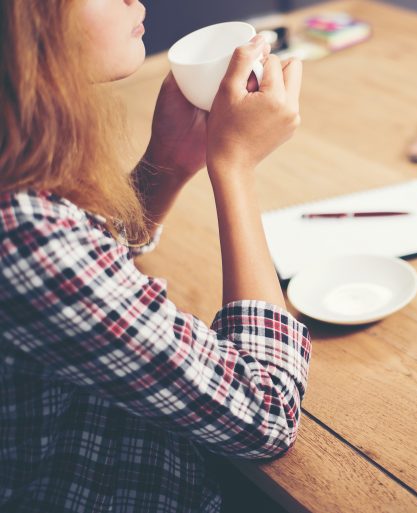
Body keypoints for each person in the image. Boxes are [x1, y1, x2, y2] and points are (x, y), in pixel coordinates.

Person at [0, 1, 310, 512]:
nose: (135, 1)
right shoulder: (22, 235)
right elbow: (266, 414)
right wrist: (233, 168)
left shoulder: (23, 172)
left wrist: (167, 162)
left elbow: (83, 264)